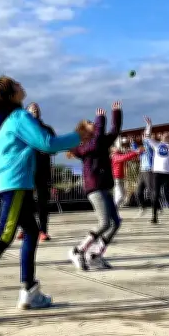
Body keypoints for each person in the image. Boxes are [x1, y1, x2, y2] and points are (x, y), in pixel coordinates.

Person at [0, 76, 82, 322]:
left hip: (12, 183)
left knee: (31, 232)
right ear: (11, 95)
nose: (22, 85)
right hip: (15, 185)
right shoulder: (20, 117)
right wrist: (79, 135)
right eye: (17, 84)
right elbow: (47, 143)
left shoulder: (6, 121)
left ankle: (29, 291)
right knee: (4, 237)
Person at [67, 101, 123, 271]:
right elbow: (97, 142)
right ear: (84, 130)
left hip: (104, 186)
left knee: (115, 223)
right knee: (104, 223)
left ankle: (95, 254)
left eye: (94, 122)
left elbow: (114, 132)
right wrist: (100, 118)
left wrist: (116, 113)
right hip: (94, 187)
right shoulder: (82, 146)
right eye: (90, 123)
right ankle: (78, 250)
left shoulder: (98, 141)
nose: (94, 123)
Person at [17, 102, 56, 241]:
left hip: (42, 169)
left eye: (37, 109)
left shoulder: (46, 129)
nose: (35, 111)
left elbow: (54, 147)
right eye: (32, 109)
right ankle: (25, 228)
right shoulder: (22, 130)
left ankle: (42, 230)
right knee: (24, 201)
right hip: (26, 169)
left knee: (42, 202)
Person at [143, 117, 169, 224]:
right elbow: (146, 138)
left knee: (167, 196)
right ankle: (154, 217)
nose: (166, 135)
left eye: (168, 135)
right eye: (164, 135)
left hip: (166, 174)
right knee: (155, 195)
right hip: (156, 173)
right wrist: (149, 125)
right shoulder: (156, 145)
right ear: (161, 138)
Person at [110, 141, 140, 208]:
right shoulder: (115, 155)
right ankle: (112, 211)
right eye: (115, 147)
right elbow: (124, 157)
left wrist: (131, 151)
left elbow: (126, 155)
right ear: (112, 149)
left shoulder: (118, 154)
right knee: (120, 196)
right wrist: (136, 152)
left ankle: (113, 213)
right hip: (116, 178)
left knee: (121, 195)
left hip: (120, 178)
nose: (118, 147)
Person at [132, 138, 154, 214]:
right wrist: (133, 142)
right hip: (141, 172)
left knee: (151, 191)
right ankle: (142, 207)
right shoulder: (141, 154)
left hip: (149, 171)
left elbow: (147, 145)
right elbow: (135, 150)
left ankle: (157, 207)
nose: (140, 148)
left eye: (142, 147)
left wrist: (145, 138)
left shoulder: (150, 152)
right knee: (138, 191)